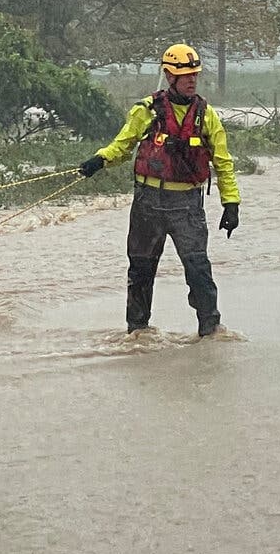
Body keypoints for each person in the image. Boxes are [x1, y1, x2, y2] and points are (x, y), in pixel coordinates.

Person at [77, 42, 239, 338]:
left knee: (198, 269)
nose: (192, 80)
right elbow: (122, 146)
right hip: (148, 203)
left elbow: (223, 162)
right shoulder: (146, 110)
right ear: (169, 76)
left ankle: (211, 330)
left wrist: (231, 204)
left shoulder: (207, 116)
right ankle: (138, 333)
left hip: (188, 204)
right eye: (185, 75)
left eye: (195, 74)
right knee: (140, 271)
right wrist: (99, 161)